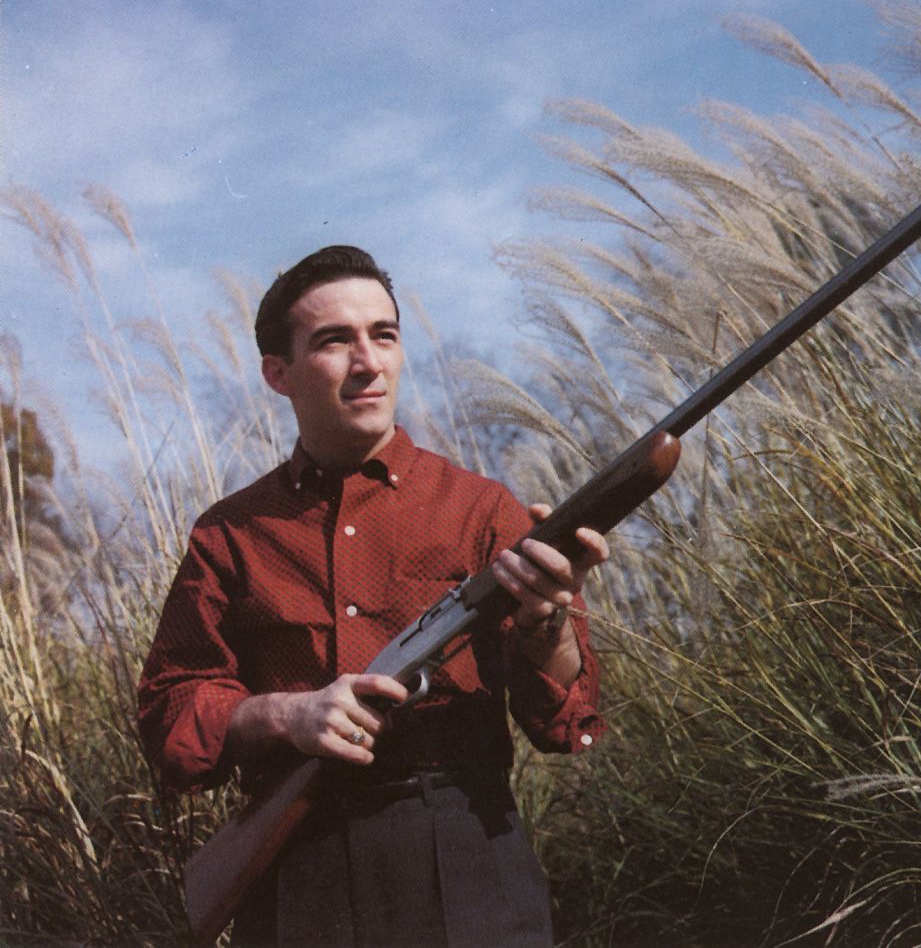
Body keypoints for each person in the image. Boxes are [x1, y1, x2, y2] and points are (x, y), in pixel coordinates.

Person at [137, 246, 614, 947]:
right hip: (299, 867)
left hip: (466, 851)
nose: (368, 362)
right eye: (335, 340)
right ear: (277, 373)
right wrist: (289, 714)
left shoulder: (482, 509)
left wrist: (550, 624)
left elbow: (564, 725)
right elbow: (170, 715)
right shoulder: (229, 534)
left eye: (383, 335)